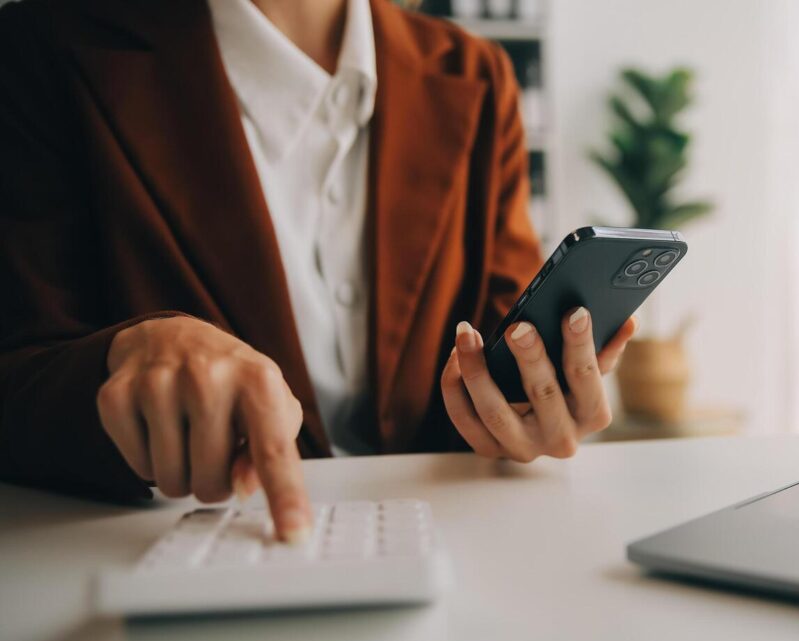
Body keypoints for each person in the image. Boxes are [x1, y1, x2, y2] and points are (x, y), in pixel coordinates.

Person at [0, 0, 636, 543]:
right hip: (179, 559)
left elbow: (496, 343)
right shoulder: (43, 49)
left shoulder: (477, 73)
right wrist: (122, 357)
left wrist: (524, 404)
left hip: (445, 556)